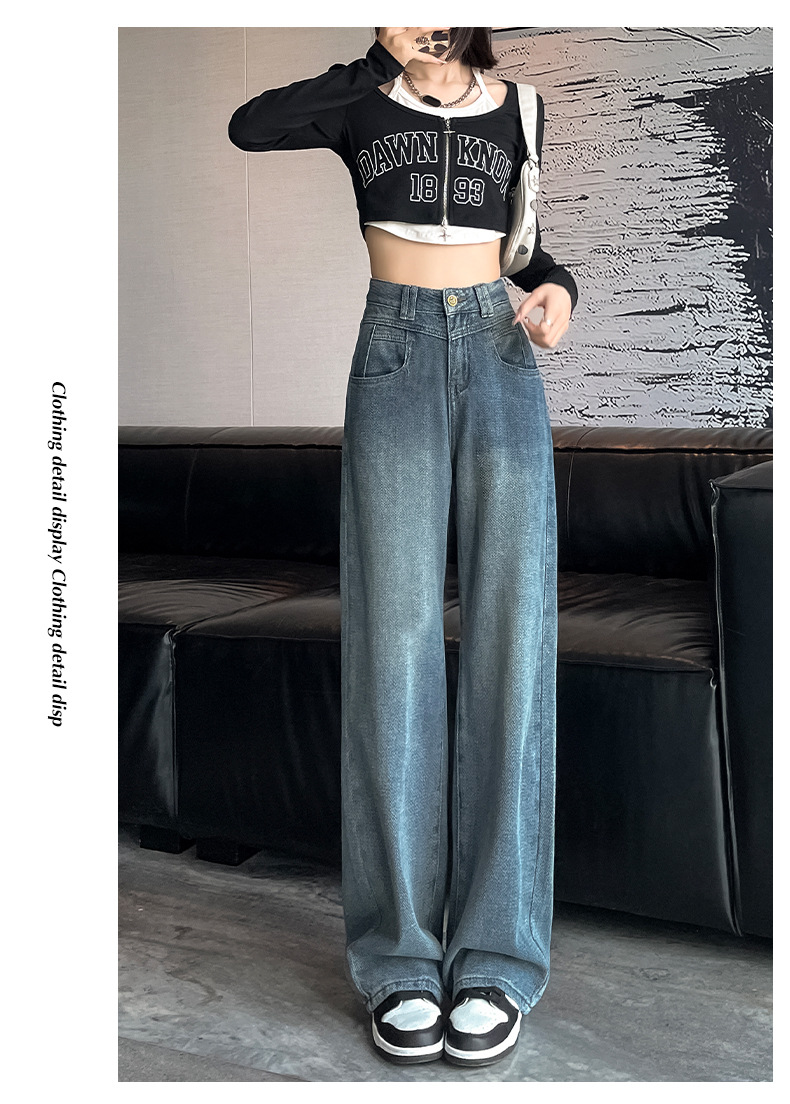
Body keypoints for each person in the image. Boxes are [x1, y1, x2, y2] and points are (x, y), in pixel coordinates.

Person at [228, 26, 577, 1069]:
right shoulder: (357, 100)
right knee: (393, 649)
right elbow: (251, 127)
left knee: (515, 645)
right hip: (393, 351)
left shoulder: (521, 108)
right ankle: (399, 959)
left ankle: (498, 960)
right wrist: (379, 65)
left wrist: (558, 290)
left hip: (499, 356)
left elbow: (524, 250)